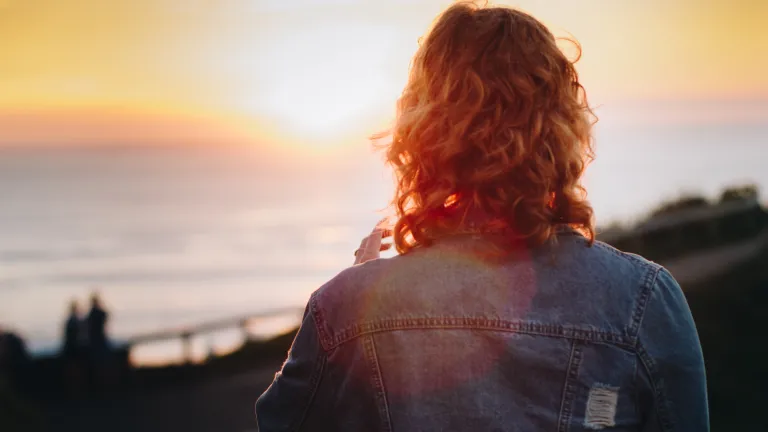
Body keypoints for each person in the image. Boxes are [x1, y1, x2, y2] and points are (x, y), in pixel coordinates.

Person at [255, 3, 708, 431]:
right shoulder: (641, 302)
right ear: (562, 127)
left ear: (420, 130)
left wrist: (362, 294)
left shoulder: (344, 310)